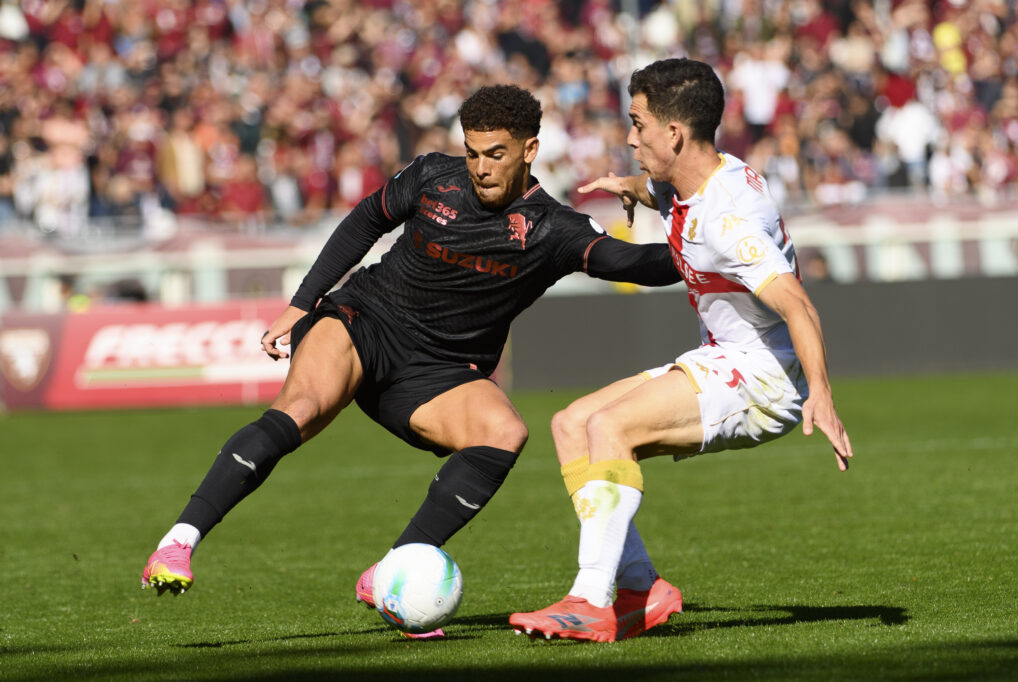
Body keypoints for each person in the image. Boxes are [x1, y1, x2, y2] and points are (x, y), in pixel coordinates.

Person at [140, 85, 682, 637]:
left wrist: (704, 238)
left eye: (495, 154)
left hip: (437, 372)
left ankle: (392, 570)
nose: (480, 167)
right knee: (299, 409)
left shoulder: (552, 228)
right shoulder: (432, 177)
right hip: (364, 322)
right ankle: (177, 544)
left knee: (504, 432)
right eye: (472, 152)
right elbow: (363, 222)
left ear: (529, 150)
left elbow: (633, 262)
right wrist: (301, 305)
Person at [508, 58, 853, 643]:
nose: (629, 136)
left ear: (674, 134)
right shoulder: (698, 180)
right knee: (572, 424)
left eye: (638, 123)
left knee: (612, 427)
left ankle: (591, 599)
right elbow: (672, 197)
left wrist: (821, 391)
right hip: (721, 356)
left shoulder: (730, 220)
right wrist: (634, 190)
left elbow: (797, 304)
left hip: (762, 379)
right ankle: (642, 587)